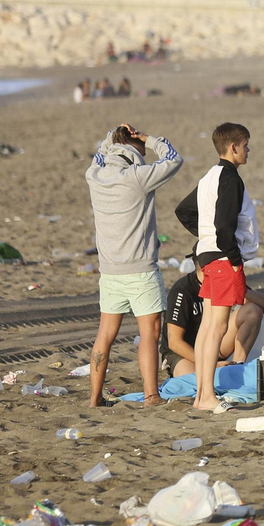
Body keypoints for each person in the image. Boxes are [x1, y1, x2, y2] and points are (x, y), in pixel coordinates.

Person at [83, 124, 184, 406]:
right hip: (140, 269)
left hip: (110, 270)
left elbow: (101, 152)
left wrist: (114, 133)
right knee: (149, 334)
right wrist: (150, 139)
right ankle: (152, 395)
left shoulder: (95, 174)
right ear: (135, 149)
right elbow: (174, 159)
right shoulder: (138, 176)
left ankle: (94, 398)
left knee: (105, 334)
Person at [175, 122, 258, 410]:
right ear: (233, 147)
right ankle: (207, 396)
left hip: (209, 256)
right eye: (246, 145)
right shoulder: (230, 178)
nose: (249, 150)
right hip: (223, 259)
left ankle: (201, 396)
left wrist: (206, 237)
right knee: (217, 328)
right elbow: (224, 225)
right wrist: (234, 258)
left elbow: (184, 210)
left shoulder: (209, 176)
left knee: (209, 327)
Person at [162, 267, 264, 378]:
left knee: (252, 310)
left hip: (215, 344)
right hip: (185, 354)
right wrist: (212, 365)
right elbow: (174, 342)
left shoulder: (224, 279)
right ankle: (216, 372)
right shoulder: (182, 290)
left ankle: (238, 367)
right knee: (191, 379)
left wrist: (239, 288)